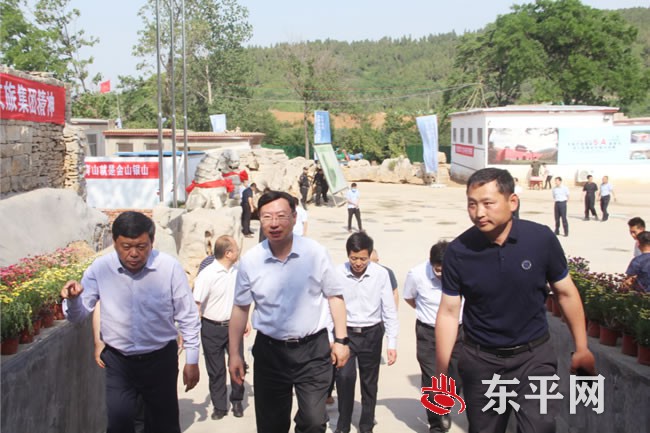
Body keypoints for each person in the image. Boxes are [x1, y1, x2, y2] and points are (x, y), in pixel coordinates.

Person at [435, 168, 596, 433]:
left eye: (488, 203)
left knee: (540, 427)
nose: (479, 213)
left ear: (512, 202)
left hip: (534, 358)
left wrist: (582, 347)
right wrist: (442, 371)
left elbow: (566, 293)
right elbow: (449, 313)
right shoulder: (458, 251)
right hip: (481, 361)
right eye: (472, 204)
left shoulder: (540, 239)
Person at [61, 211, 201, 433]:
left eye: (141, 246)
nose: (134, 254)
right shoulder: (100, 269)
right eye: (126, 247)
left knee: (163, 424)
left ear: (151, 243)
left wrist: (192, 359)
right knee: (119, 423)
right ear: (115, 243)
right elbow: (77, 316)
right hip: (119, 362)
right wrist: (74, 300)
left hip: (160, 360)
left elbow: (188, 315)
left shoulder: (168, 268)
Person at [228, 190, 350, 433]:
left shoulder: (315, 253)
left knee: (315, 421)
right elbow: (241, 308)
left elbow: (335, 296)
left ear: (295, 218)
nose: (274, 224)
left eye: (281, 216)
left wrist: (341, 340)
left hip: (312, 350)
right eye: (266, 217)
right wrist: (234, 354)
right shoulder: (251, 260)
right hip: (270, 352)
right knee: (271, 425)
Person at [335, 232, 398, 433]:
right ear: (348, 255)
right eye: (354, 258)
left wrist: (392, 343)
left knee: (369, 382)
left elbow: (389, 308)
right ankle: (343, 425)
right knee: (344, 379)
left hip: (372, 333)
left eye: (363, 258)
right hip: (346, 334)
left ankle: (366, 424)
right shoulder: (337, 273)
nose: (358, 263)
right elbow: (330, 308)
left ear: (370, 255)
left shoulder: (381, 274)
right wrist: (333, 339)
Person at [404, 240, 462, 433]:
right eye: (438, 270)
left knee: (457, 376)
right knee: (432, 380)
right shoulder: (417, 274)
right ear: (431, 264)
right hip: (428, 333)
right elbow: (410, 298)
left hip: (458, 332)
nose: (442, 275)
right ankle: (436, 425)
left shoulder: (462, 271)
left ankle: (445, 406)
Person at [193, 235, 247, 420]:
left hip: (234, 327)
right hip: (211, 328)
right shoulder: (207, 275)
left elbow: (242, 300)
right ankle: (219, 406)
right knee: (216, 370)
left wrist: (245, 321)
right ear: (228, 253)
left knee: (238, 364)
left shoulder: (237, 272)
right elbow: (197, 304)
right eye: (236, 249)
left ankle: (237, 400)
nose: (239, 252)